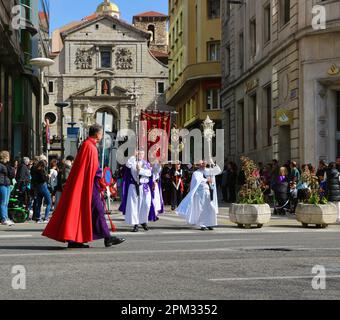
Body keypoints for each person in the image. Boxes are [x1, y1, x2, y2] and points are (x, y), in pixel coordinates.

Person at [43, 124, 126, 248]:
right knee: (97, 209)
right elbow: (94, 169)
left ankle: (76, 240)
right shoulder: (90, 146)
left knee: (87, 210)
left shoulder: (87, 145)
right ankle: (107, 237)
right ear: (97, 134)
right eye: (102, 133)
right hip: (89, 185)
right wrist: (101, 180)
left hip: (86, 183)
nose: (102, 136)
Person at [176, 160, 222, 231]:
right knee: (201, 209)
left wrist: (213, 163)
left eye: (204, 163)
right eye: (202, 163)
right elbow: (198, 181)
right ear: (199, 165)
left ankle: (209, 223)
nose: (203, 164)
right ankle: (202, 224)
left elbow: (218, 170)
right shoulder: (196, 173)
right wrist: (206, 180)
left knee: (210, 208)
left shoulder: (208, 171)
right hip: (199, 194)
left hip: (208, 193)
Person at [119, 149, 153, 232]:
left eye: (142, 153)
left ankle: (143, 221)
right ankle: (136, 224)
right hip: (134, 186)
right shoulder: (133, 162)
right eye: (139, 153)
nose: (141, 155)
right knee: (135, 206)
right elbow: (127, 165)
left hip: (144, 187)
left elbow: (149, 173)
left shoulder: (146, 163)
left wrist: (140, 170)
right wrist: (133, 156)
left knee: (146, 205)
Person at [0, 151, 15, 226]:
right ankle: (4, 219)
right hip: (2, 184)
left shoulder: (6, 165)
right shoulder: (2, 165)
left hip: (6, 184)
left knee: (6, 203)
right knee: (3, 202)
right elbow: (10, 174)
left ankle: (5, 217)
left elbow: (11, 175)